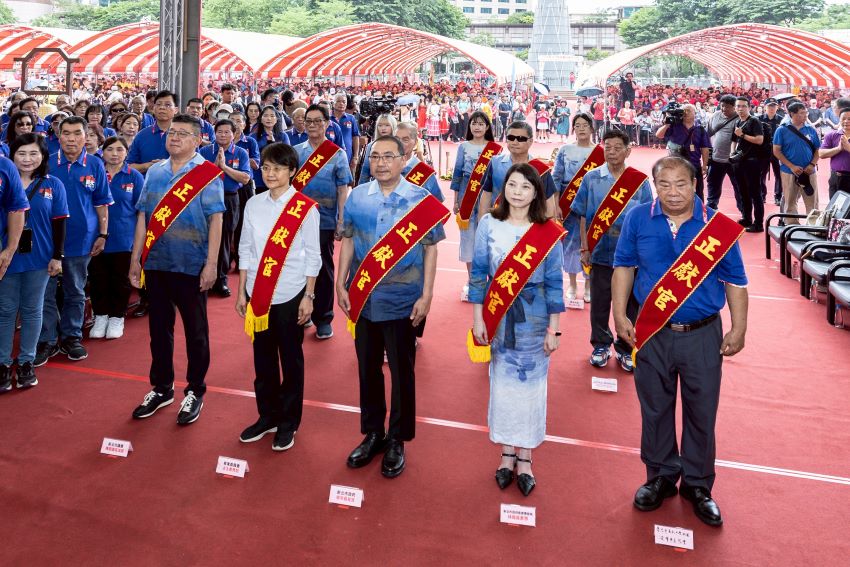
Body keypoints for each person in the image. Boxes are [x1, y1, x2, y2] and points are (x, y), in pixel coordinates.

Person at [612, 155, 749, 527]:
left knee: (701, 410)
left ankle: (698, 483)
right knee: (654, 408)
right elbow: (624, 265)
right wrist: (620, 313)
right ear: (655, 185)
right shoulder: (639, 217)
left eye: (681, 184)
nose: (673, 192)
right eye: (665, 184)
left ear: (695, 184)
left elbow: (735, 280)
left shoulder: (716, 227)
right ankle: (659, 476)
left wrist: (738, 328)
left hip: (703, 334)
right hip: (652, 332)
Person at [337, 135, 446, 479]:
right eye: (376, 157)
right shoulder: (358, 197)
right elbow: (349, 239)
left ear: (403, 160)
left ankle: (398, 437)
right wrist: (341, 283)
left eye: (389, 157)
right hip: (364, 299)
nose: (381, 163)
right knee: (367, 369)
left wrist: (427, 295)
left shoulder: (419, 199)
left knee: (402, 372)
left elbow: (431, 248)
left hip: (402, 300)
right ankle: (373, 433)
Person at [470, 163, 564, 496]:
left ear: (536, 192)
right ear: (504, 189)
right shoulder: (489, 224)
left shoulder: (547, 231)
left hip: (536, 318)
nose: (518, 192)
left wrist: (555, 329)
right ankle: (506, 454)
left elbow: (554, 283)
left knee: (532, 387)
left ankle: (525, 456)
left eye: (526, 187)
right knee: (504, 385)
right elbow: (479, 274)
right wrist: (478, 317)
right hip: (498, 316)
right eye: (512, 185)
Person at [128, 114, 225, 425]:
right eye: (172, 132)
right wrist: (136, 258)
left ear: (197, 140)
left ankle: (195, 389)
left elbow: (216, 220)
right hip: (157, 263)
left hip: (192, 265)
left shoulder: (207, 174)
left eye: (183, 134)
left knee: (196, 332)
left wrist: (212, 264)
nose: (174, 138)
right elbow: (144, 216)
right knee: (159, 330)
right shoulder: (154, 172)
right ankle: (162, 387)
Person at [235, 142, 320, 451]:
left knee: (291, 360)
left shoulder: (304, 208)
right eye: (266, 168)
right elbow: (245, 248)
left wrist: (309, 296)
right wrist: (243, 290)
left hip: (290, 293)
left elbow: (314, 257)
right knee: (263, 360)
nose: (270, 174)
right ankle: (267, 416)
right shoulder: (254, 204)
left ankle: (288, 421)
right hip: (258, 295)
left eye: (278, 168)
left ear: (292, 172)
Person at [571, 129, 652, 371]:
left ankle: (626, 347)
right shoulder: (592, 178)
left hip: (630, 256)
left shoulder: (638, 181)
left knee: (630, 303)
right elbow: (584, 215)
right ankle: (600, 345)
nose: (612, 152)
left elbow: (648, 219)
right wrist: (585, 247)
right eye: (608, 147)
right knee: (600, 302)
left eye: (618, 147)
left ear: (628, 151)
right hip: (600, 251)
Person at [35, 116, 112, 366]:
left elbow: (102, 203)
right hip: (47, 241)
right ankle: (47, 339)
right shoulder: (46, 164)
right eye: (65, 133)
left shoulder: (96, 165)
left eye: (77, 133)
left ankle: (71, 336)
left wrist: (103, 234)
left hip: (82, 241)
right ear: (58, 136)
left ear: (85, 136)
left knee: (75, 291)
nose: (71, 138)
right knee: (45, 294)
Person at [294, 104, 353, 339]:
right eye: (309, 121)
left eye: (318, 121)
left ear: (327, 124)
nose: (313, 126)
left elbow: (342, 188)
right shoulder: (297, 152)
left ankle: (324, 317)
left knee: (323, 269)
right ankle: (301, 312)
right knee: (297, 267)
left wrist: (341, 219)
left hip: (325, 220)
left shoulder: (337, 153)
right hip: (297, 220)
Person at [88, 137, 144, 340]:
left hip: (124, 237)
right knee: (98, 280)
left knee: (120, 280)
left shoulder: (134, 177)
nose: (114, 153)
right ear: (102, 152)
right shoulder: (94, 174)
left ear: (126, 153)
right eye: (109, 149)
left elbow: (141, 211)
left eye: (120, 149)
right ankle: (101, 316)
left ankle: (117, 317)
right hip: (94, 237)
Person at [199, 119, 252, 297]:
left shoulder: (241, 153)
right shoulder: (205, 151)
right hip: (207, 198)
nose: (222, 135)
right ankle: (203, 277)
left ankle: (221, 279)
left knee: (225, 238)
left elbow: (245, 178)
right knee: (206, 236)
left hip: (230, 198)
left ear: (234, 134)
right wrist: (215, 167)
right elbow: (198, 177)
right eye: (219, 131)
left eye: (226, 132)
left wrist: (224, 167)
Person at [553, 112, 597, 302]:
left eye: (585, 125)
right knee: (570, 244)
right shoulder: (565, 150)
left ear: (591, 128)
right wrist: (556, 205)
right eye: (577, 125)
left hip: (592, 204)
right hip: (568, 204)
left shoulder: (599, 153)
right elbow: (555, 178)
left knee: (590, 244)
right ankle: (571, 284)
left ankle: (588, 285)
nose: (581, 129)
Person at [0, 141, 33, 391]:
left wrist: (9, 250)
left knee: (7, 310)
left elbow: (17, 208)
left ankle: (9, 363)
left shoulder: (5, 166)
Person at [450, 111, 493, 300]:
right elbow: (457, 174)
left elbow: (498, 177)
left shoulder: (494, 149)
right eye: (473, 123)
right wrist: (456, 200)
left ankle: (486, 279)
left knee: (487, 237)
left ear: (487, 127)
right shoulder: (463, 147)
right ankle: (472, 280)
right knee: (468, 238)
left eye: (481, 124)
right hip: (467, 191)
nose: (477, 127)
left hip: (488, 193)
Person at [478, 121, 557, 220]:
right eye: (511, 138)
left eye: (521, 139)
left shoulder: (541, 169)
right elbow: (486, 194)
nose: (515, 142)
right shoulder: (495, 163)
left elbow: (548, 202)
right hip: (499, 221)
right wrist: (482, 222)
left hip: (529, 225)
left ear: (531, 141)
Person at [773, 101, 821, 224]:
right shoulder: (782, 130)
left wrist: (811, 165)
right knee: (790, 202)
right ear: (791, 114)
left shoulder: (811, 129)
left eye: (806, 113)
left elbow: (817, 150)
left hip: (809, 172)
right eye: (801, 114)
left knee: (813, 202)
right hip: (788, 171)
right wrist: (791, 166)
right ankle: (792, 228)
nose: (805, 116)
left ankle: (814, 229)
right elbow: (777, 151)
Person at [656, 104, 711, 200]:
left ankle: (699, 212)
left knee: (697, 191)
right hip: (675, 165)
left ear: (695, 113)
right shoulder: (675, 126)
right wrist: (667, 125)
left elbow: (705, 149)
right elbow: (659, 135)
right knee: (676, 190)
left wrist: (705, 165)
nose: (686, 112)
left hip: (694, 165)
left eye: (689, 110)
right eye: (684, 110)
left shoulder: (700, 129)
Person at [729, 97, 765, 233]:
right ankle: (746, 218)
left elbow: (759, 140)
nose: (740, 109)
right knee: (742, 191)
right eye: (738, 106)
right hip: (739, 162)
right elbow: (734, 140)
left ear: (749, 107)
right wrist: (733, 154)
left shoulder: (754, 121)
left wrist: (743, 135)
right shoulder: (737, 121)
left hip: (752, 162)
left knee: (755, 193)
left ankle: (758, 223)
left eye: (743, 106)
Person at [128, 90, 178, 175]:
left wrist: (170, 165)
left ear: (176, 110)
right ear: (153, 108)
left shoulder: (184, 135)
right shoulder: (141, 136)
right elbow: (128, 166)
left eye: (168, 105)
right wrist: (148, 166)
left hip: (177, 186)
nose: (162, 107)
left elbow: (195, 166)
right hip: (147, 186)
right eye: (158, 104)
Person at [706, 94, 742, 210]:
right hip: (716, 158)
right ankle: (711, 207)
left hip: (734, 160)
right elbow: (708, 133)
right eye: (722, 106)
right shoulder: (715, 115)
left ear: (734, 107)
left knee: (739, 186)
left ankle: (743, 211)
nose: (724, 109)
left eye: (727, 107)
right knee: (713, 184)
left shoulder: (741, 119)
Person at [252, 106, 291, 194]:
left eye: (272, 116)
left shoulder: (283, 136)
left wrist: (273, 143)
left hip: (278, 177)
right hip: (259, 178)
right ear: (261, 119)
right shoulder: (253, 137)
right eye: (265, 115)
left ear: (277, 119)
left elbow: (287, 157)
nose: (269, 118)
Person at [818, 106, 850, 200]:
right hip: (836, 177)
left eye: (849, 119)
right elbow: (821, 154)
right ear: (839, 120)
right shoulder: (831, 135)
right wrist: (838, 148)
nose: (846, 121)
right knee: (835, 210)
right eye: (843, 118)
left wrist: (848, 148)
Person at [358, 113, 397, 185]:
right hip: (376, 185)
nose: (383, 128)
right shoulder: (371, 146)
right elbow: (365, 170)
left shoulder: (399, 145)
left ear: (393, 127)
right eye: (380, 125)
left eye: (387, 125)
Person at [758, 98, 783, 206]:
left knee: (779, 174)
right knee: (761, 174)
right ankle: (762, 195)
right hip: (763, 150)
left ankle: (778, 196)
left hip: (777, 151)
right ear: (765, 107)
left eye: (774, 106)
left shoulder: (782, 120)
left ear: (777, 107)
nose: (772, 108)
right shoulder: (758, 119)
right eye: (769, 106)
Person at [331, 92, 361, 176]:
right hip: (330, 158)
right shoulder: (327, 119)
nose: (341, 104)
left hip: (348, 158)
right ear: (333, 104)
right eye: (338, 101)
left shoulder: (351, 118)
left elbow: (355, 137)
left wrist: (355, 157)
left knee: (348, 184)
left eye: (344, 102)